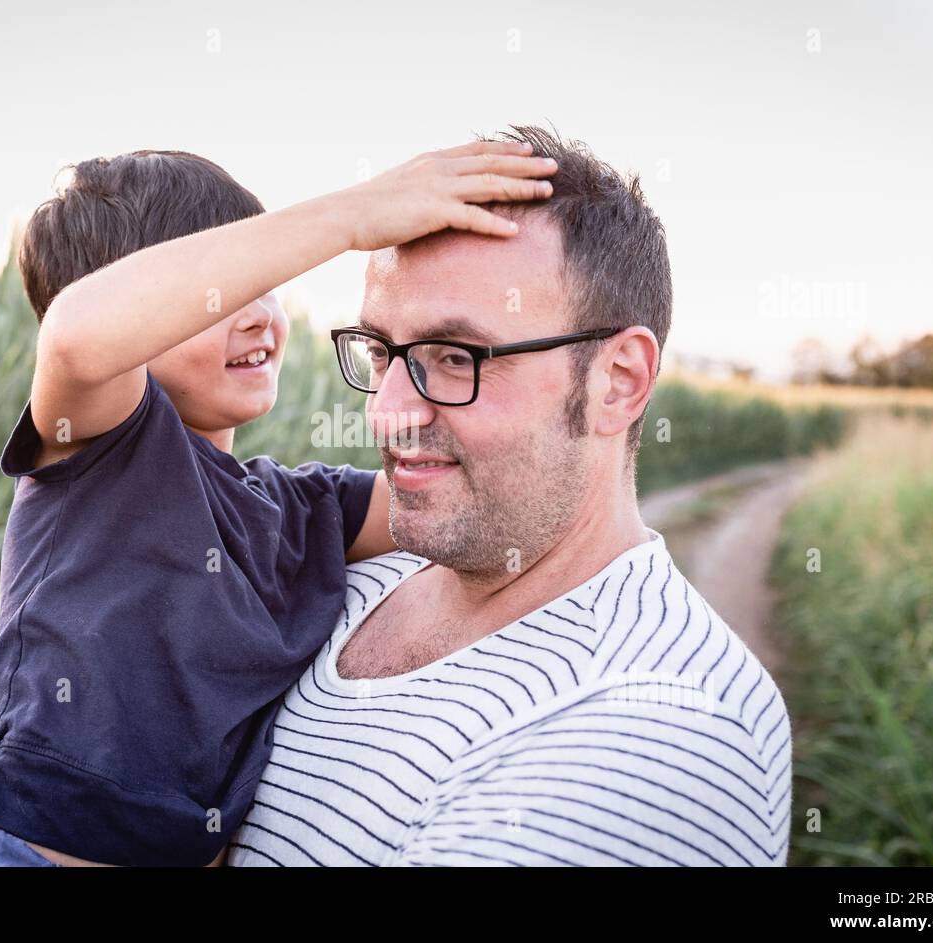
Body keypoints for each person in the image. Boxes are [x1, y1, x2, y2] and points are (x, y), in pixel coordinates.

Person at [0, 140, 559, 866]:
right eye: (214, 296)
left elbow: (460, 496)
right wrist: (351, 217)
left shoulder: (300, 508)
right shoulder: (98, 451)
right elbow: (77, 338)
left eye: (265, 288)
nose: (255, 316)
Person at [227, 125, 793, 866]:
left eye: (455, 357)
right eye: (379, 352)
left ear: (618, 380)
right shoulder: (339, 577)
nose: (388, 411)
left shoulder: (667, 728)